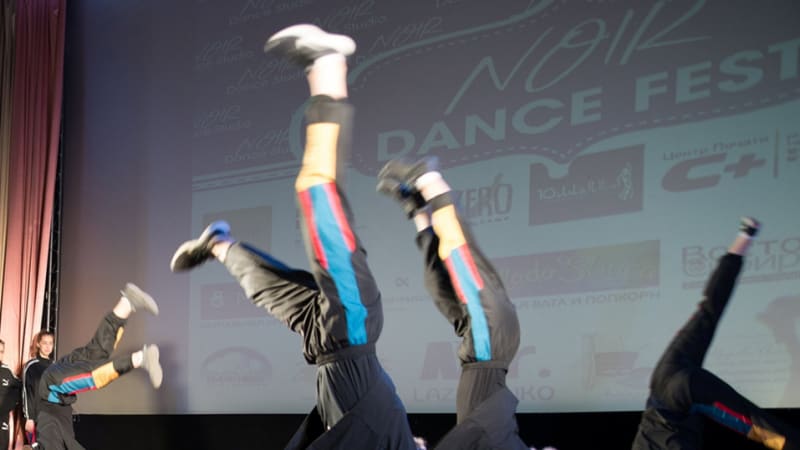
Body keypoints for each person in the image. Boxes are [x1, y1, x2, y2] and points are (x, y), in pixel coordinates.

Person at [170, 24, 417, 449]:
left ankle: (218, 243)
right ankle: (328, 68)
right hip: (353, 328)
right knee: (317, 193)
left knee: (264, 289)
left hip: (326, 342)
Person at [377, 157, 529, 449]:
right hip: (492, 340)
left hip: (480, 340)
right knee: (457, 250)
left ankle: (417, 209)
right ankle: (428, 178)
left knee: (436, 282)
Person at [631, 218, 800, 450]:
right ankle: (745, 235)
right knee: (709, 308)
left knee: (762, 429)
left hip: (684, 394)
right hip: (667, 372)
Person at [30, 283, 162, 450]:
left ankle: (141, 358)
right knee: (98, 352)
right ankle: (128, 302)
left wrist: (29, 419)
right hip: (59, 397)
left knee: (92, 377)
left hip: (51, 389)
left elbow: (31, 393)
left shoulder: (34, 369)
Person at [23, 331, 54, 445]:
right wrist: (29, 418)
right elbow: (27, 392)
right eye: (45, 343)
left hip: (53, 417)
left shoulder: (55, 366)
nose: (48, 346)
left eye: (50, 343)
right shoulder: (31, 366)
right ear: (38, 344)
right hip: (37, 418)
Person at [0, 339, 22, 450]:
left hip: (2, 421)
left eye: (1, 351)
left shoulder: (6, 371)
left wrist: (10, 404)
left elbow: (20, 386)